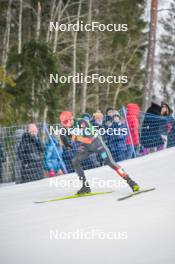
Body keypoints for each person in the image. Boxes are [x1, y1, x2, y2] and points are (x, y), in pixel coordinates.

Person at [59, 111, 140, 194]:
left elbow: (88, 138)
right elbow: (63, 136)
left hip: (97, 144)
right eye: (63, 123)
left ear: (71, 118)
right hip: (86, 147)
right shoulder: (66, 128)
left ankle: (131, 182)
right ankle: (85, 187)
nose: (65, 125)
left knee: (110, 163)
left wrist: (72, 137)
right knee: (75, 161)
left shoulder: (82, 122)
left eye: (66, 122)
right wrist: (67, 144)